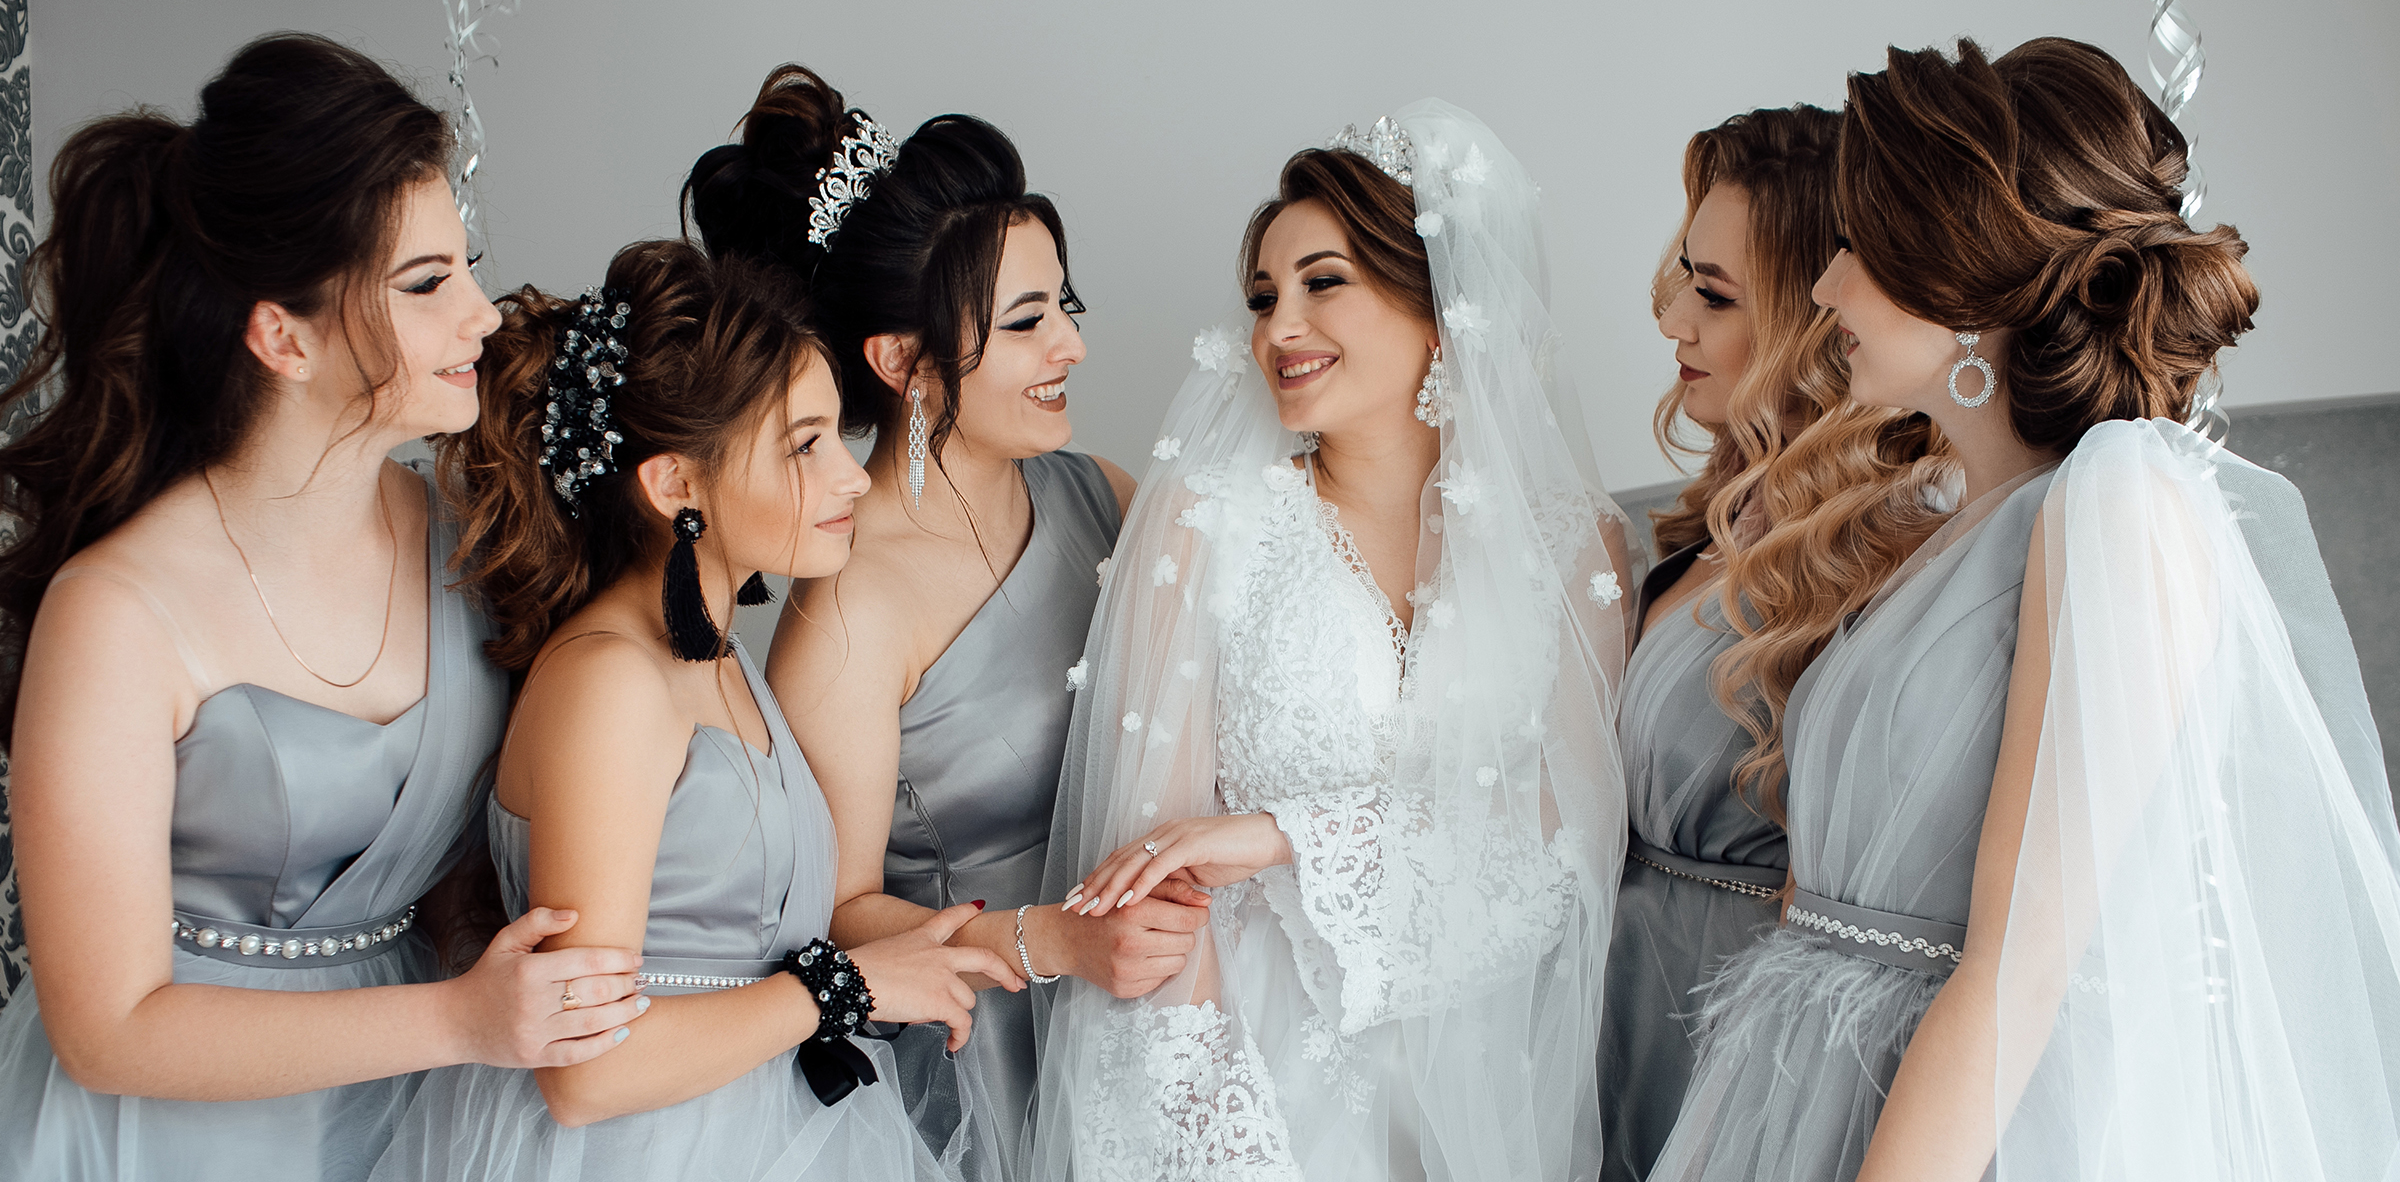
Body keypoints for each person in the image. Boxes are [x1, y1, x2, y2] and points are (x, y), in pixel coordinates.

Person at [1650, 38, 2400, 1182]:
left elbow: (2019, 965)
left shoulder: (2115, 512)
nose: (1824, 288)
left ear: (1956, 281)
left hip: (1940, 1118)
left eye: (1855, 246)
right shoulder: (1941, 523)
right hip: (1791, 1083)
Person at [0, 34, 644, 1182]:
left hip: (421, 1118)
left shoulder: (462, 540)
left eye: (467, 266)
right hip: (174, 1140)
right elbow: (106, 1030)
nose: (484, 316)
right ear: (280, 336)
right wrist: (460, 1020)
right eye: (427, 284)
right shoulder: (113, 617)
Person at [1033, 101, 1632, 1181]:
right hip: (1255, 1075)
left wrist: (1279, 836)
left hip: (1491, 1091)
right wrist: (1222, 1140)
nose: (1276, 328)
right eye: (1264, 296)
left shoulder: (1572, 545)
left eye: (1322, 282)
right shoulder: (1207, 520)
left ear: (1439, 306)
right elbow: (1150, 885)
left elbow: (1565, 848)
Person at [372, 241, 1013, 1181]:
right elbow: (582, 1073)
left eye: (838, 435)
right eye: (804, 445)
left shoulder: (720, 659)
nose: (848, 478)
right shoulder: (610, 685)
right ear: (676, 485)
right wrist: (845, 986)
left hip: (757, 1124)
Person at [684, 65, 1196, 1176]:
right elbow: (831, 918)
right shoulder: (852, 607)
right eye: (1026, 321)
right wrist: (1053, 941)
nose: (1071, 345)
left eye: (1067, 304)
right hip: (984, 1053)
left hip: (1154, 1000)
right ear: (903, 363)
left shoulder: (1095, 494)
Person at [1600, 103, 1947, 1182]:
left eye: (1712, 294)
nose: (1672, 321)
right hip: (1613, 998)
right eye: (1680, 279)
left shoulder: (1890, 553)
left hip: (1728, 1027)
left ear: (1819, 317)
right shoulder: (1707, 521)